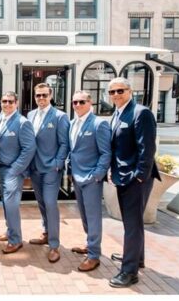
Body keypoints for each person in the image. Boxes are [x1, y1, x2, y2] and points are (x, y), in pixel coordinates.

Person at [106, 78, 161, 288]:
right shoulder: (118, 113)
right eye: (112, 92)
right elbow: (117, 147)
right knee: (132, 223)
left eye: (120, 90)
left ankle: (130, 272)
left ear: (130, 91)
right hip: (123, 176)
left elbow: (147, 148)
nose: (116, 94)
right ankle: (137, 259)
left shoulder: (141, 112)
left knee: (132, 225)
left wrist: (140, 176)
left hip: (136, 179)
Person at [24, 83, 70, 263]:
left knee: (51, 203)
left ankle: (54, 245)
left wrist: (58, 163)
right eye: (38, 96)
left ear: (50, 96)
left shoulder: (60, 116)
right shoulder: (30, 115)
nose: (41, 99)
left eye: (44, 95)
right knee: (42, 203)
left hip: (51, 168)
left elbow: (64, 143)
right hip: (35, 167)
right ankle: (46, 232)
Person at [66, 90, 111, 272]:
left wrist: (97, 175)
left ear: (90, 102)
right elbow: (73, 150)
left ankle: (94, 255)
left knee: (93, 218)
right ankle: (89, 244)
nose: (77, 105)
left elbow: (106, 153)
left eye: (81, 102)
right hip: (76, 176)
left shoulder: (99, 124)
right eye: (75, 102)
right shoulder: (72, 123)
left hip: (91, 178)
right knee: (84, 215)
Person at [0, 92, 36, 254]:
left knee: (11, 205)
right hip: (1, 168)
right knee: (6, 204)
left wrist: (15, 170)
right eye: (4, 101)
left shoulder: (22, 122)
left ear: (16, 103)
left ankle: (16, 240)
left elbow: (29, 148)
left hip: (13, 171)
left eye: (10, 101)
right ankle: (10, 231)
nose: (7, 104)